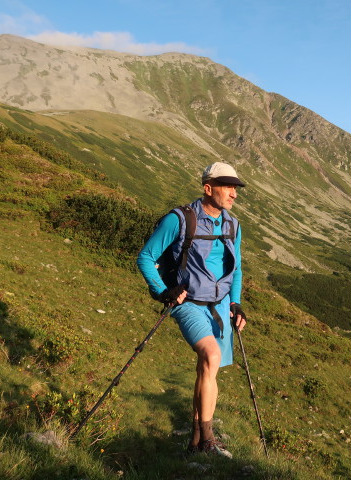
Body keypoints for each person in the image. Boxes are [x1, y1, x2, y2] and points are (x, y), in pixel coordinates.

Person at [137, 162, 247, 458]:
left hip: (221, 307)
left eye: (235, 188)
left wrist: (235, 303)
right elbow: (145, 257)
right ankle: (209, 439)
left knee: (207, 369)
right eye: (228, 187)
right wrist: (163, 292)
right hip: (187, 304)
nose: (234, 194)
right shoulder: (181, 219)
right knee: (211, 357)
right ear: (208, 188)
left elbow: (235, 270)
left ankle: (196, 437)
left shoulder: (232, 225)